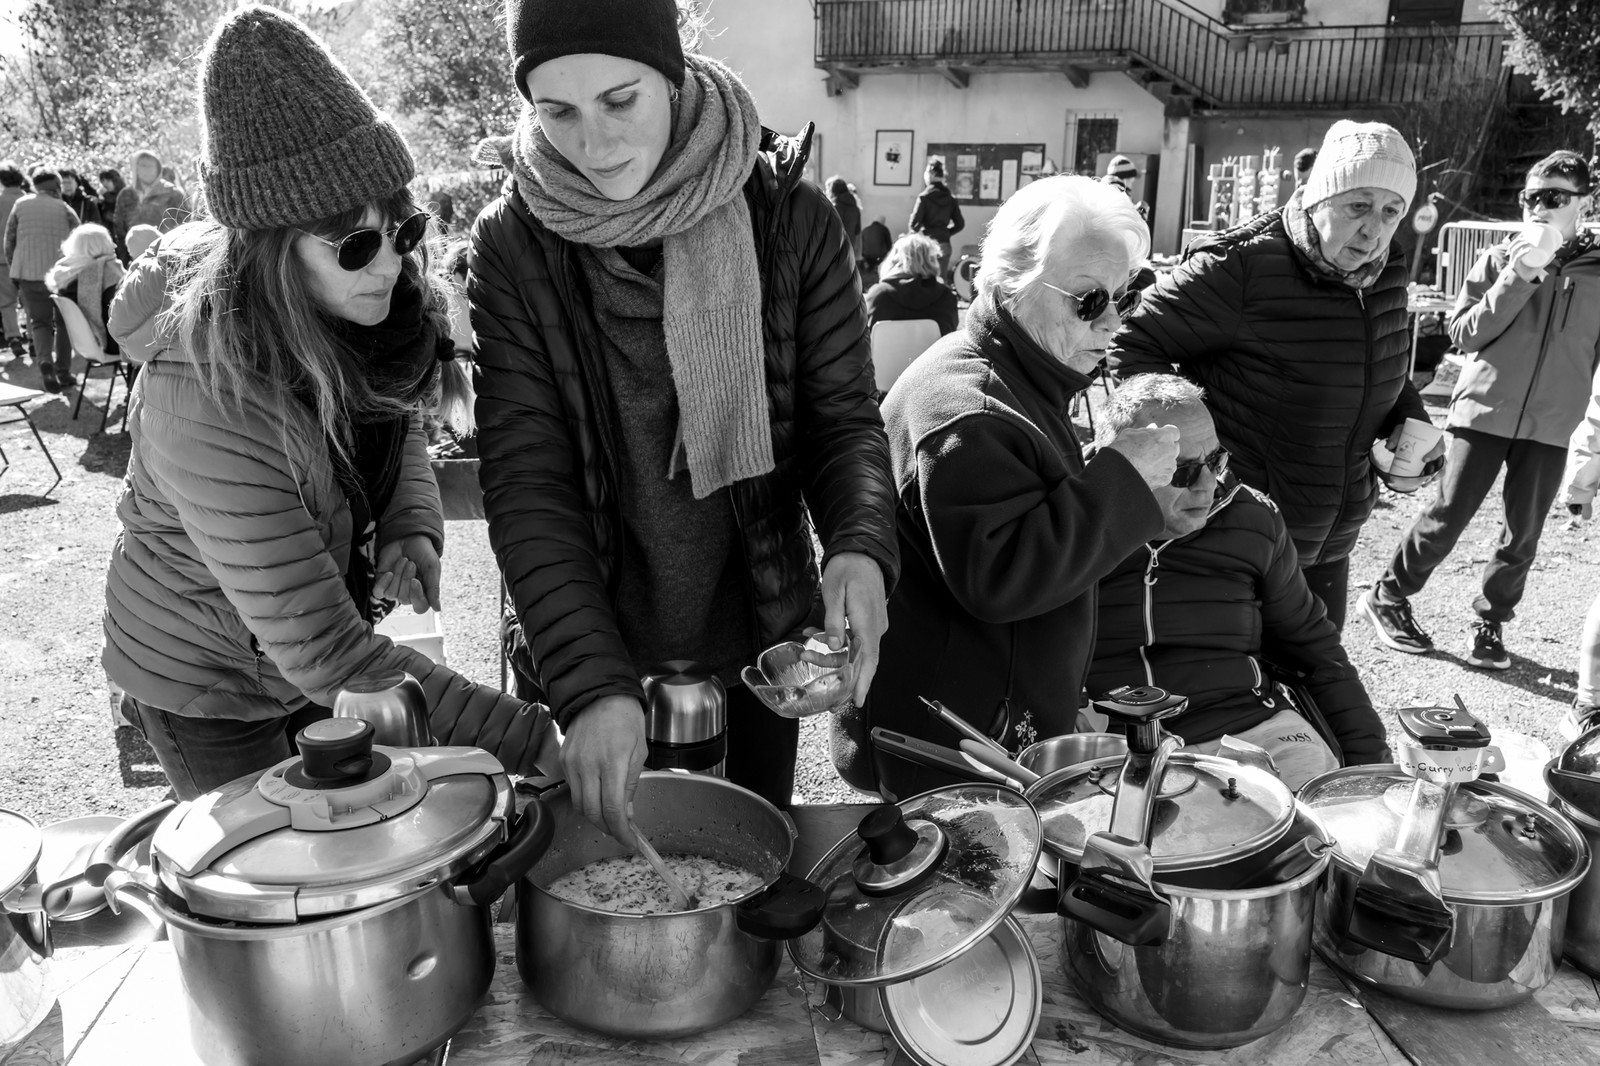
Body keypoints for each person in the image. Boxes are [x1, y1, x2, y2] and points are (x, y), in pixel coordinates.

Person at [102, 5, 555, 801]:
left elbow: (397, 414)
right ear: (273, 248)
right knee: (271, 890)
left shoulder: (356, 306)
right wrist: (539, 739)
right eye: (354, 242)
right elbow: (332, 654)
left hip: (295, 652)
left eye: (401, 228)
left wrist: (413, 524)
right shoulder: (204, 393)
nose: (388, 263)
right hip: (207, 686)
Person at [471, 0, 898, 843]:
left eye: (619, 100)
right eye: (556, 112)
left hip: (753, 648)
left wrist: (859, 540)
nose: (591, 145)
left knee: (745, 877)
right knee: (601, 881)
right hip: (589, 641)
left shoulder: (792, 219)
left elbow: (843, 420)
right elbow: (528, 481)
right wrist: (590, 683)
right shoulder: (513, 245)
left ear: (671, 76)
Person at [841, 175, 1178, 799]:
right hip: (953, 750)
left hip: (973, 730)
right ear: (1009, 286)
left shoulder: (1013, 372)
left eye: (1123, 298)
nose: (1111, 323)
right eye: (1087, 301)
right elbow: (1006, 577)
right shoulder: (970, 408)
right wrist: (1126, 476)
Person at [1108, 120, 1437, 631]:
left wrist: (1410, 419)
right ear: (1318, 197)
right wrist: (1187, 460)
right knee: (1233, 693)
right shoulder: (1240, 265)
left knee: (1315, 687)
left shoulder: (1385, 266)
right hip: (1238, 531)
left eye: (1391, 211)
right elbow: (1127, 341)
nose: (1374, 229)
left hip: (1331, 535)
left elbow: (1375, 359)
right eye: (1358, 205)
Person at [1087, 375, 1388, 788]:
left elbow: (1315, 650)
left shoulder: (1252, 518)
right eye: (1182, 471)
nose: (1208, 485)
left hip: (1255, 729)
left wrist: (1372, 767)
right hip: (1115, 742)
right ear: (1121, 464)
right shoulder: (1071, 518)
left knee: (1322, 836)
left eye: (1215, 462)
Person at [1361, 152, 1600, 671]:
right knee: (1446, 517)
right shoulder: (1498, 258)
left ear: (1584, 202)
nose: (1539, 207)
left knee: (1522, 535)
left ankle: (1490, 622)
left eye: (1554, 197)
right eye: (1531, 197)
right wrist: (1522, 271)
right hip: (1482, 411)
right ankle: (1387, 597)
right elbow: (1465, 332)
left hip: (1554, 423)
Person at [4, 169, 82, 391]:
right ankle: (64, 371)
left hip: (28, 275)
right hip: (61, 277)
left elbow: (9, 242)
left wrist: (15, 271)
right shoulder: (65, 209)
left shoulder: (20, 205)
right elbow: (80, 242)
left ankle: (45, 361)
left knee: (40, 323)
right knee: (63, 323)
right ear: (56, 187)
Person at [46, 222, 124, 360]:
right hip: (115, 343)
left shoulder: (68, 273)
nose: (114, 245)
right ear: (102, 244)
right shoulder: (105, 270)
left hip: (90, 344)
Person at [863, 233, 958, 337]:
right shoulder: (946, 296)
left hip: (887, 353)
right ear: (932, 260)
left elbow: (866, 338)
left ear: (894, 260)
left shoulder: (878, 295)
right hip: (934, 353)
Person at [909, 158, 963, 285]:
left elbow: (914, 225)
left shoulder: (924, 197)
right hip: (944, 243)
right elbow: (960, 224)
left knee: (925, 281)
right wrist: (946, 232)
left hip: (927, 244)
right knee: (942, 281)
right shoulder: (950, 198)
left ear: (930, 175)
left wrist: (921, 233)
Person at [113, 149, 191, 236]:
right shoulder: (125, 195)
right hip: (133, 248)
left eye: (151, 166)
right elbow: (119, 227)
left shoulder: (172, 193)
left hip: (166, 247)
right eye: (143, 166)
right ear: (135, 169)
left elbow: (187, 226)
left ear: (158, 168)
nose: (147, 170)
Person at [0, 162, 27, 360]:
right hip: (27, 260)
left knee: (6, 302)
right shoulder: (28, 201)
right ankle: (34, 340)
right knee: (29, 302)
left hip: (2, 260)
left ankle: (13, 337)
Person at [825, 175, 861, 264]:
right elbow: (857, 230)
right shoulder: (855, 208)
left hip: (833, 249)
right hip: (849, 247)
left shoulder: (834, 208)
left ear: (833, 190)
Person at [1102, 154, 1149, 221]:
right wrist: (1140, 213)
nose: (1131, 185)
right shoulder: (1117, 191)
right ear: (1125, 178)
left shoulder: (1104, 187)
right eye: (1131, 181)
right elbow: (1123, 221)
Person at [859, 214, 891, 289]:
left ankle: (870, 267)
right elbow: (889, 245)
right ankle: (876, 268)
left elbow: (861, 245)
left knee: (871, 263)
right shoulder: (884, 229)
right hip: (879, 257)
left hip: (866, 256)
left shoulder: (865, 229)